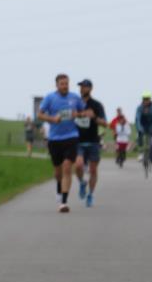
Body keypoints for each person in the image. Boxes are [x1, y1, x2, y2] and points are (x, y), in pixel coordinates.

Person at [37, 73, 87, 213]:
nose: (65, 86)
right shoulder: (50, 98)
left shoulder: (74, 98)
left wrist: (77, 114)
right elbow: (39, 114)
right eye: (62, 84)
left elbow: (84, 113)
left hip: (71, 137)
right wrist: (53, 119)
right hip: (54, 139)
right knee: (58, 172)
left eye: (67, 83)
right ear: (57, 85)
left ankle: (63, 202)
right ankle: (59, 188)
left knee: (67, 167)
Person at [73, 79, 106, 207]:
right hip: (78, 141)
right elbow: (68, 116)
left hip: (93, 141)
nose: (82, 89)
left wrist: (94, 117)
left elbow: (104, 123)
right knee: (78, 165)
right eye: (80, 87)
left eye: (84, 87)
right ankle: (82, 182)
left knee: (93, 170)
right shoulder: (75, 103)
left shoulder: (97, 105)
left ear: (90, 88)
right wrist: (77, 114)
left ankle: (91, 195)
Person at [135, 91, 152, 170]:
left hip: (151, 127)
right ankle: (141, 153)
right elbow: (137, 119)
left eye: (147, 99)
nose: (145, 100)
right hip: (142, 126)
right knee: (139, 136)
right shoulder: (139, 108)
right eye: (144, 99)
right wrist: (139, 128)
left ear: (150, 99)